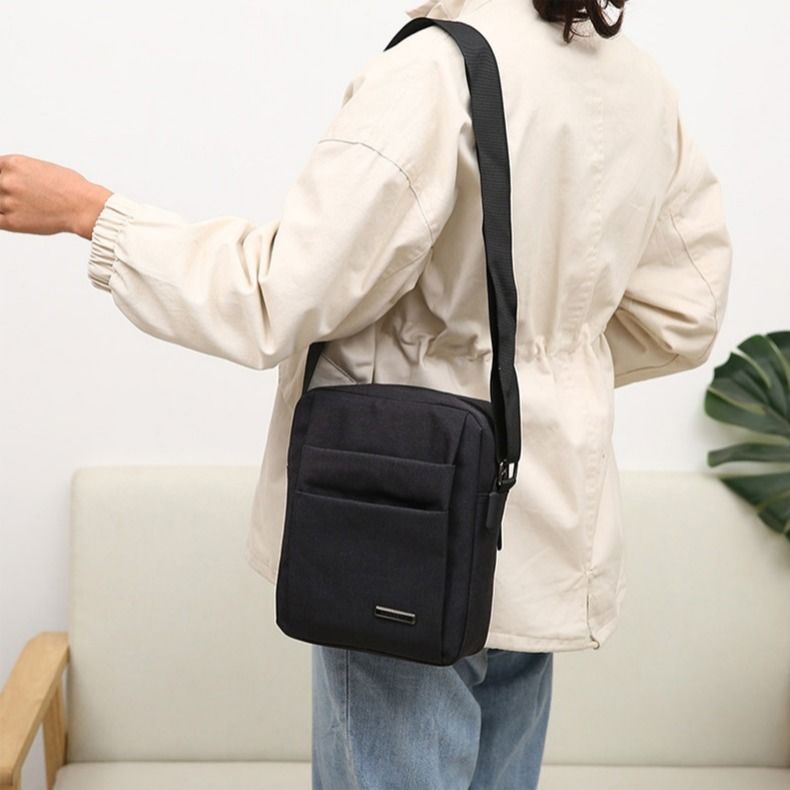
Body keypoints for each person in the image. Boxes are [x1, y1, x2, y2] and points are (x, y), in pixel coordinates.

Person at [0, 0, 733, 787]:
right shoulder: (634, 82)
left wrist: (91, 213)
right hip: (543, 520)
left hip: (399, 507)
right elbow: (685, 311)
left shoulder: (435, 72)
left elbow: (279, 293)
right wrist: (533, 370)